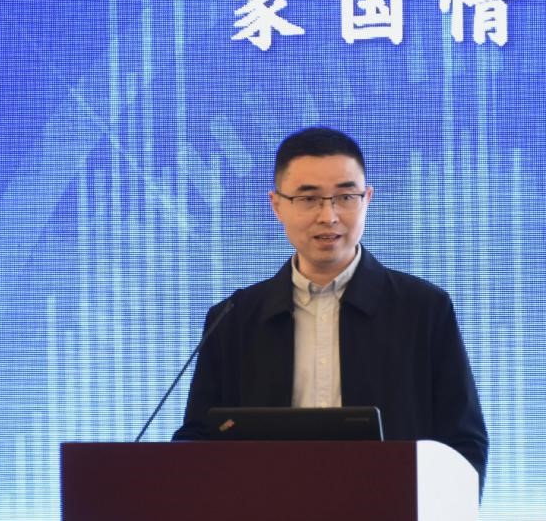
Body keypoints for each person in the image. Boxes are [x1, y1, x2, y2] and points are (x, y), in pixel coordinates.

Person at [173, 126, 488, 488]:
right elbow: (199, 438)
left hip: (387, 507)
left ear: (367, 199)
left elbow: (463, 443)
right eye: (309, 198)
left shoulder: (423, 310)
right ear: (277, 205)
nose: (329, 216)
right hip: (267, 506)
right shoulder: (234, 318)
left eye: (345, 196)